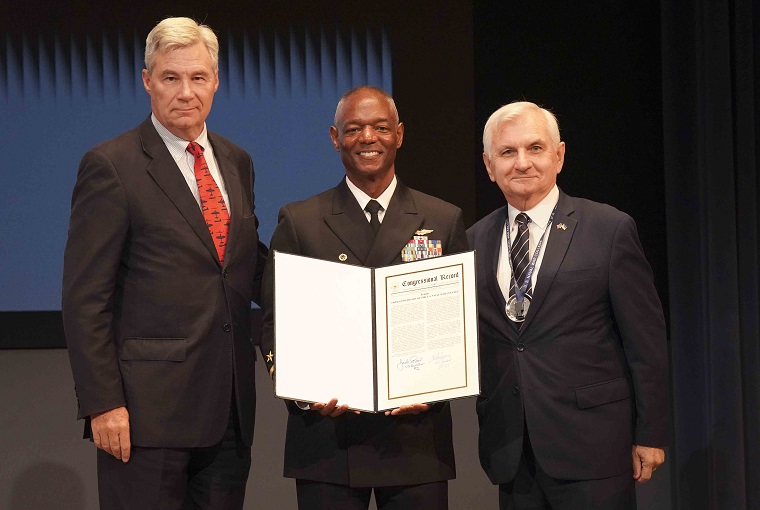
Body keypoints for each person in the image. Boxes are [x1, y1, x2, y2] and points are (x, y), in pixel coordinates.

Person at [62, 17, 267, 509]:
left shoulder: (236, 161)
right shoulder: (112, 165)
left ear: (216, 82)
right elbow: (85, 298)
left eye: (198, 78)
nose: (185, 92)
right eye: (171, 78)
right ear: (147, 81)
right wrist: (103, 403)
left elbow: (239, 263)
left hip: (228, 410)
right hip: (145, 416)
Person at [259, 86, 468, 510]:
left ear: (400, 135)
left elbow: (460, 324)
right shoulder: (300, 221)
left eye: (380, 127)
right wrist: (304, 391)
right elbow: (273, 324)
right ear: (335, 138)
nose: (368, 138)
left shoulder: (443, 219)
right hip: (327, 440)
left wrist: (436, 390)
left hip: (415, 438)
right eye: (354, 129)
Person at [467, 101, 669, 509]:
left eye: (535, 148)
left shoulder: (608, 229)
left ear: (559, 155)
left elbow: (646, 342)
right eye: (507, 152)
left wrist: (650, 432)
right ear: (490, 166)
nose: (522, 162)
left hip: (593, 445)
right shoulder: (473, 240)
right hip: (512, 448)